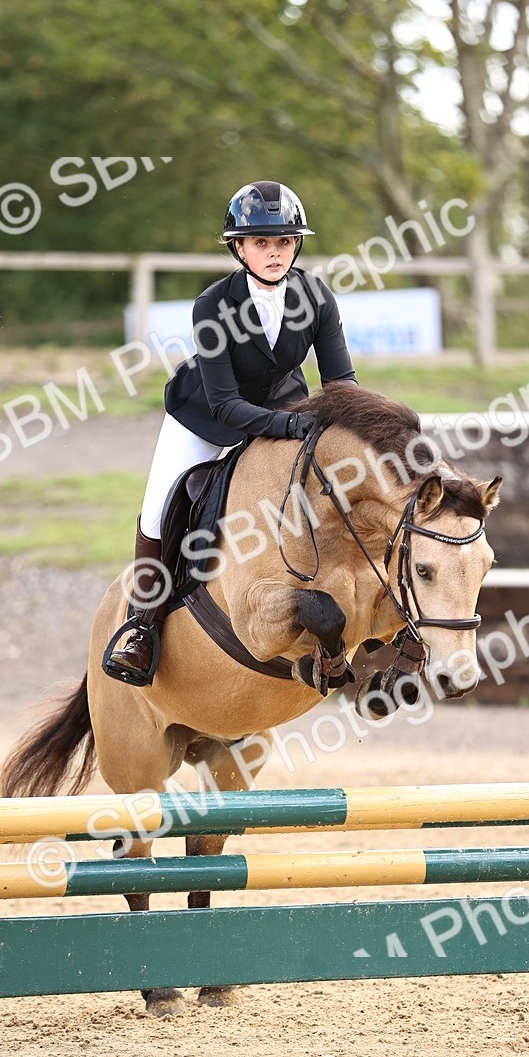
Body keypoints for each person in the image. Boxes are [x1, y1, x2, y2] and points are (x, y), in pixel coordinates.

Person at [104, 179, 358, 685]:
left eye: (284, 241)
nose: (274, 252)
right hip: (206, 416)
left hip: (285, 407)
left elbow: (342, 382)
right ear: (239, 248)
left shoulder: (315, 296)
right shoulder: (213, 304)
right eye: (261, 242)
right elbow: (225, 404)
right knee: (157, 511)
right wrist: (289, 423)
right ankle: (142, 627)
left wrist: (356, 425)